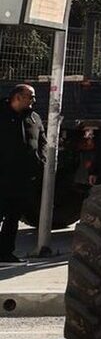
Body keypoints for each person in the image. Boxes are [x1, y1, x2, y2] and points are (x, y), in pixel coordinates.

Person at [0, 84, 45, 265]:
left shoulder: (34, 118)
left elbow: (42, 141)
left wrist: (42, 160)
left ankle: (5, 253)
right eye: (31, 96)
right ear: (18, 97)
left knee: (13, 216)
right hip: (2, 175)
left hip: (22, 178)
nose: (34, 100)